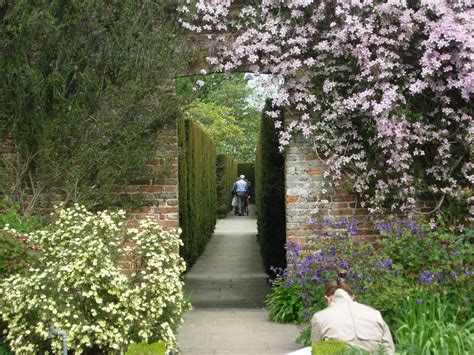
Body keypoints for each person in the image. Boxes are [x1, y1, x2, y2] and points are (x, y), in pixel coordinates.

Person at [311, 271, 395, 354]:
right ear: (353, 297)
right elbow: (389, 347)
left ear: (327, 299)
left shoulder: (319, 317)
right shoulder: (375, 313)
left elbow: (316, 350)